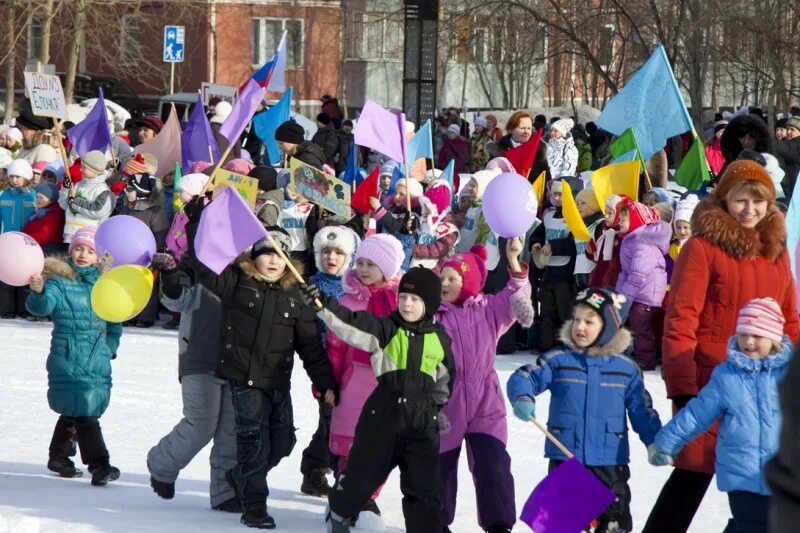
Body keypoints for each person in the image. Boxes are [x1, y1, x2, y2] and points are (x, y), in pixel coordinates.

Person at [643, 160, 800, 533]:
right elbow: (681, 317)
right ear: (724, 199)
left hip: (766, 390)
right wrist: (682, 388)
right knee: (690, 480)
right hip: (710, 383)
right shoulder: (702, 247)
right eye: (741, 200)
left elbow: (790, 320)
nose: (750, 210)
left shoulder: (775, 251)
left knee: (764, 485)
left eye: (758, 201)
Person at [181, 224, 338, 529]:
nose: (274, 261)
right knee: (253, 445)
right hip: (245, 379)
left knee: (283, 441)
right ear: (255, 257)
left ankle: (240, 477)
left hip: (277, 382)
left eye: (281, 255)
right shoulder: (236, 282)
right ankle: (254, 507)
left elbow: (309, 349)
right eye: (267, 253)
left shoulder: (296, 295)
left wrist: (326, 383)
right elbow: (204, 261)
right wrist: (197, 223)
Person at [299, 267, 456, 533]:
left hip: (421, 426)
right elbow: (349, 323)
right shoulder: (386, 329)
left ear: (429, 304)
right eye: (404, 296)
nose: (407, 303)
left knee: (425, 491)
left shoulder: (439, 339)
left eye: (415, 300)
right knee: (361, 477)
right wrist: (321, 302)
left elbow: (446, 379)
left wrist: (435, 410)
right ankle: (339, 514)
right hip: (383, 418)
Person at [507, 288, 662, 533]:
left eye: (589, 321)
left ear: (609, 327)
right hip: (567, 458)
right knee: (562, 525)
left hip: (610, 464)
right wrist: (523, 395)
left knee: (613, 523)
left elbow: (642, 411)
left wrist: (656, 442)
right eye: (576, 319)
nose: (580, 326)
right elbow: (527, 376)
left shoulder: (626, 370)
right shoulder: (559, 360)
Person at [650, 298, 793, 533]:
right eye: (743, 334)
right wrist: (666, 443)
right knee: (755, 526)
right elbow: (697, 415)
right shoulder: (727, 376)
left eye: (756, 336)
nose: (748, 342)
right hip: (742, 475)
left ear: (774, 338)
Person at [438, 240, 533, 533]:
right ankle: (434, 521)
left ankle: (499, 524)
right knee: (438, 469)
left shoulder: (488, 309)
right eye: (442, 277)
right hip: (445, 404)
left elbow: (517, 296)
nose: (445, 283)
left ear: (470, 281)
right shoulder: (434, 315)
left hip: (485, 403)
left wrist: (514, 259)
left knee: (493, 464)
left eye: (452, 278)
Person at [27, 227, 123, 486]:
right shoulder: (59, 281)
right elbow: (42, 306)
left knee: (76, 410)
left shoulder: (105, 284)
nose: (83, 254)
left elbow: (115, 322)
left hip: (96, 358)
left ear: (98, 257)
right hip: (67, 356)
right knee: (86, 413)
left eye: (90, 251)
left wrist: (109, 347)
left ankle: (58, 456)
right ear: (71, 251)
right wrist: (37, 291)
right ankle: (99, 464)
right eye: (79, 248)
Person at [320, 234, 404, 522]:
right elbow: (334, 348)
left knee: (380, 447)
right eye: (361, 262)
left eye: (372, 264)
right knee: (349, 446)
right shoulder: (348, 301)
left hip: (386, 385)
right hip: (353, 383)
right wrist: (328, 384)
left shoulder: (400, 303)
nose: (364, 269)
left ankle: (367, 496)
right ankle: (345, 492)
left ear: (389, 268)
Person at [145, 251, 238, 511]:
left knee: (230, 431)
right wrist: (171, 274)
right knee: (201, 423)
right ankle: (162, 464)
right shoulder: (198, 265)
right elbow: (175, 300)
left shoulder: (249, 269)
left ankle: (225, 492)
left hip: (238, 363)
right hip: (199, 358)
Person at [300, 225, 361, 498]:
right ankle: (327, 474)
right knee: (332, 421)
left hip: (356, 368)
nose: (331, 257)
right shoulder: (310, 286)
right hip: (326, 370)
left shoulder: (355, 286)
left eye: (338, 252)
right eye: (326, 251)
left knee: (347, 423)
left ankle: (320, 468)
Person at [614, 197, 670, 371]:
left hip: (645, 294)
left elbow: (639, 274)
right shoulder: (632, 239)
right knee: (634, 325)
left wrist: (625, 295)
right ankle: (635, 354)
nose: (620, 223)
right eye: (620, 220)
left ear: (636, 221)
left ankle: (645, 359)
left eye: (624, 220)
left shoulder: (642, 242)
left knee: (641, 327)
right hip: (638, 292)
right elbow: (627, 271)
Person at [115, 170, 169, 328]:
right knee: (127, 284)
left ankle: (146, 316)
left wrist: (156, 255)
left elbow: (160, 235)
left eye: (130, 189)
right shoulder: (125, 208)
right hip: (126, 256)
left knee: (147, 285)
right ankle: (129, 313)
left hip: (147, 257)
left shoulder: (155, 212)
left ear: (139, 192)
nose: (126, 191)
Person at [0, 159, 37, 318]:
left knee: (24, 275)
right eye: (12, 176)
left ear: (27, 177)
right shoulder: (4, 194)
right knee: (6, 275)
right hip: (8, 239)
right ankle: (6, 309)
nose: (14, 180)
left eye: (18, 177)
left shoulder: (33, 196)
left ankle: (23, 308)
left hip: (27, 242)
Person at [58, 150, 116, 244]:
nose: (81, 170)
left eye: (84, 168)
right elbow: (64, 205)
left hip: (87, 238)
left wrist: (74, 201)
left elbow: (97, 211)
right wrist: (65, 188)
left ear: (94, 171)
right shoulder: (78, 185)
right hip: (69, 235)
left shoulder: (103, 191)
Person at [410, 181, 460, 270]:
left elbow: (440, 248)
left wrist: (415, 249)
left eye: (427, 205)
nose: (424, 208)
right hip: (418, 265)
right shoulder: (425, 219)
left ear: (437, 207)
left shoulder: (448, 226)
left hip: (437, 268)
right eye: (424, 205)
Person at [587, 195, 622, 289]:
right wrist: (589, 251)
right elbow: (596, 257)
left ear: (619, 214)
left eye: (610, 213)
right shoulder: (602, 229)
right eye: (605, 212)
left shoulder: (621, 235)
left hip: (612, 282)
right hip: (597, 277)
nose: (606, 216)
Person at [23, 181, 66, 256]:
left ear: (50, 199)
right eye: (37, 197)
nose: (38, 200)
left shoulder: (54, 215)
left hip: (48, 251)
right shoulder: (40, 212)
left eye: (41, 197)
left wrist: (25, 242)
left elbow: (44, 234)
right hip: (36, 246)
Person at [15, 100, 59, 165]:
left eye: (22, 128)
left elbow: (41, 173)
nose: (20, 130)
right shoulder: (25, 148)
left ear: (32, 130)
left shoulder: (45, 149)